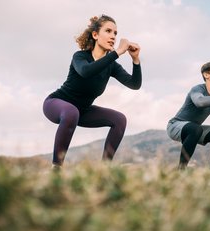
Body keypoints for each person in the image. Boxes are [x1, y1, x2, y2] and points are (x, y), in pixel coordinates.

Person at [43, 15, 142, 168]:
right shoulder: (80, 56)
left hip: (82, 111)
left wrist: (136, 60)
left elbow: (134, 84)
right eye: (108, 31)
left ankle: (104, 169)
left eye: (115, 33)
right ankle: (56, 168)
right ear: (95, 35)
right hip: (56, 104)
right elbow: (86, 72)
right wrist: (117, 53)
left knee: (119, 119)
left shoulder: (112, 66)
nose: (113, 36)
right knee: (71, 112)